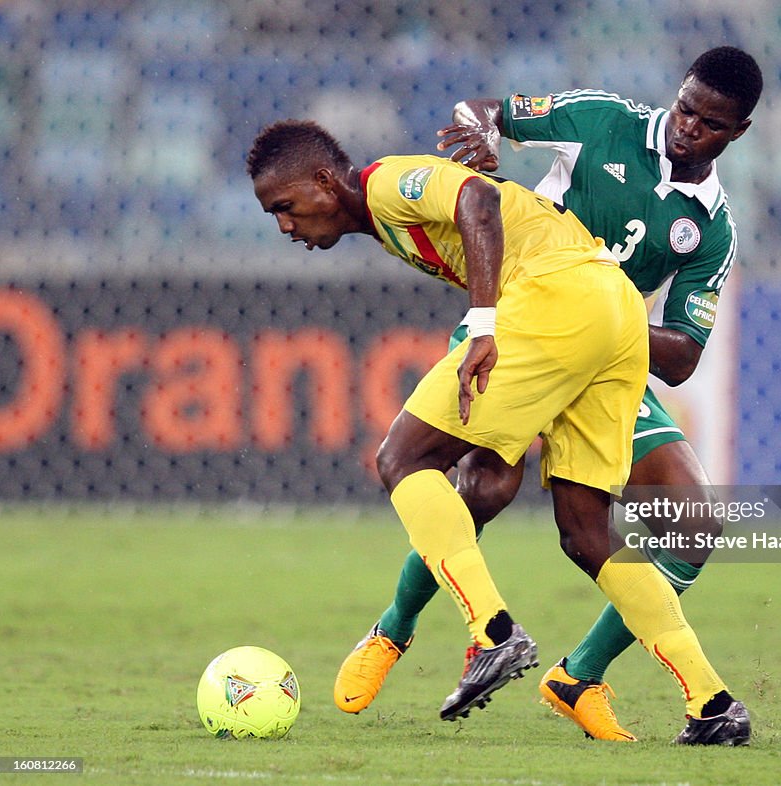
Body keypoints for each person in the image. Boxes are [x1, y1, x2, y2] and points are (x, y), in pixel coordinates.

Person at [334, 46, 762, 745]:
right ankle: (394, 629)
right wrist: (480, 130)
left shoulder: (711, 230)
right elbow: (488, 111)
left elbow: (683, 357)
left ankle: (578, 675)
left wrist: (601, 323)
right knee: (484, 486)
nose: (687, 126)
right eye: (685, 106)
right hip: (514, 330)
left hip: (602, 364)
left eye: (710, 123)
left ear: (737, 132)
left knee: (694, 522)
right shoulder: (602, 120)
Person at [247, 120, 732, 733]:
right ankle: (711, 702)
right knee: (581, 526)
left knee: (402, 458)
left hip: (549, 302)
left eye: (285, 208)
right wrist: (486, 125)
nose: (285, 226)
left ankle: (490, 634)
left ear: (323, 180)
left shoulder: (387, 183)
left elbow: (476, 198)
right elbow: (485, 182)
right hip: (613, 311)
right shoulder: (388, 222)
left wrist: (481, 325)